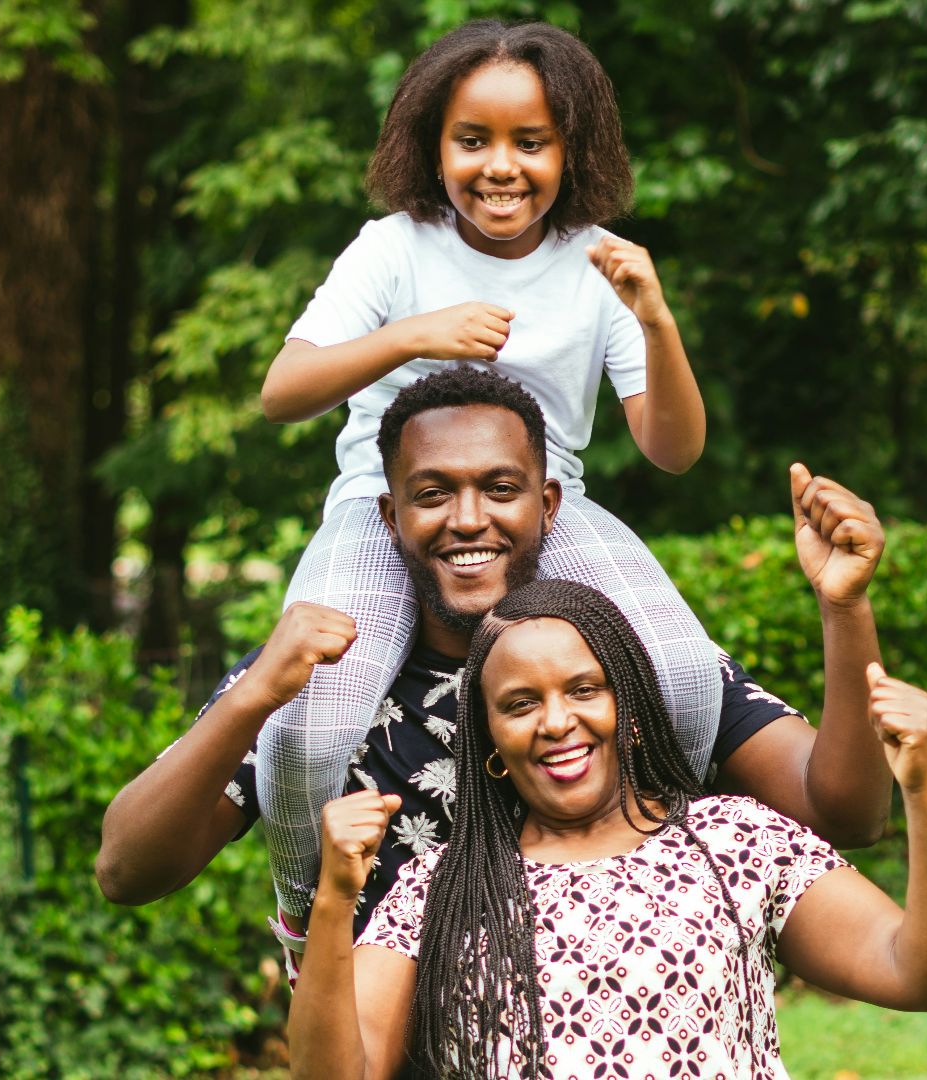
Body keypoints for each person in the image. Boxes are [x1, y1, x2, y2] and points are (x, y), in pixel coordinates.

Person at [96, 367, 893, 967]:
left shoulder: (630, 662)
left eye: (499, 488)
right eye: (433, 493)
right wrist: (251, 700)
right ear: (391, 516)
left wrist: (845, 609)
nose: (468, 519)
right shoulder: (315, 683)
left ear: (547, 505)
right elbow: (127, 871)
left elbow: (846, 812)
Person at [254, 18, 717, 929]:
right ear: (434, 148)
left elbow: (674, 449)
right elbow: (282, 391)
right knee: (306, 728)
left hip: (550, 513)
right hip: (380, 513)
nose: (500, 166)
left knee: (690, 682)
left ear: (568, 150)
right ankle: (308, 914)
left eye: (529, 142)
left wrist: (657, 321)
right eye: (474, 141)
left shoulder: (594, 261)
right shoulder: (393, 248)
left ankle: (654, 883)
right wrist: (411, 337)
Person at [289, 579, 927, 1079]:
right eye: (521, 704)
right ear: (491, 740)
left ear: (634, 709)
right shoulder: (439, 888)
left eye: (584, 689)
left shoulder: (738, 842)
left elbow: (923, 978)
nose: (556, 722)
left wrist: (923, 790)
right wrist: (333, 900)